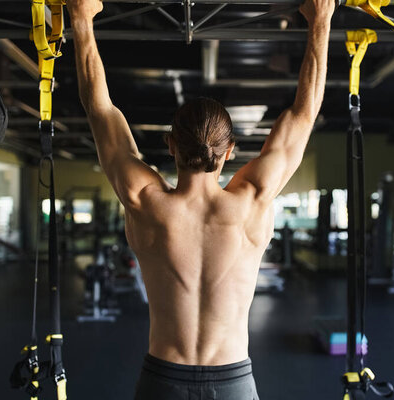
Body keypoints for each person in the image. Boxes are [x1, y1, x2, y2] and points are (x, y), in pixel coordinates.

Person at [68, 0, 334, 398]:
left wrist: (81, 19)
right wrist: (321, 21)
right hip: (232, 384)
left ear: (171, 145)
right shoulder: (252, 200)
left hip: (162, 381)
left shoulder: (145, 200)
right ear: (229, 152)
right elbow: (304, 113)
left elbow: (99, 108)